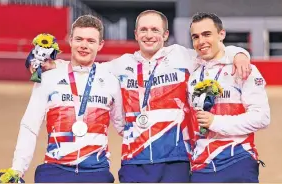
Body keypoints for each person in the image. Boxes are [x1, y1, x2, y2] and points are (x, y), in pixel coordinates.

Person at [36, 10, 252, 183]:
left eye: (155, 30)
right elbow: (88, 68)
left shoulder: (183, 56)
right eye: (144, 30)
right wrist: (55, 65)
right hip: (133, 162)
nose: (149, 35)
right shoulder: (121, 65)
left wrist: (240, 54)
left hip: (176, 160)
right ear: (136, 34)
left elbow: (211, 50)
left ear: (165, 35)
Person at [9, 15, 124, 183]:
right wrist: (17, 169)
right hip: (54, 171)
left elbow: (123, 127)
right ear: (70, 40)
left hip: (96, 173)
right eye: (79, 39)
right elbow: (30, 126)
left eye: (91, 41)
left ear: (100, 45)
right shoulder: (49, 78)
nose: (84, 45)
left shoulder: (110, 81)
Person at [188, 12, 270, 183]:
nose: (201, 41)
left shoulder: (243, 69)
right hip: (201, 166)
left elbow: (262, 118)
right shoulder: (192, 72)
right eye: (195, 37)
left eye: (207, 34)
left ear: (221, 34)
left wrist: (215, 122)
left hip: (237, 160)